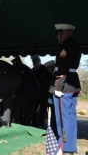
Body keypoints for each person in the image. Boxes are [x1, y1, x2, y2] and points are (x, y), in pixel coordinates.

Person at [53, 24, 81, 155]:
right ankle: (69, 146)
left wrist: (58, 87)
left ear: (63, 33)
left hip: (64, 85)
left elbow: (62, 68)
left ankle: (65, 147)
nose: (57, 37)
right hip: (72, 84)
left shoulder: (66, 45)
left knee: (63, 118)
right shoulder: (74, 44)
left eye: (58, 34)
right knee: (70, 117)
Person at [11, 56, 41, 126]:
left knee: (29, 107)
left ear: (19, 63)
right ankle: (22, 121)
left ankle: (26, 123)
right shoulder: (20, 68)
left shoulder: (23, 69)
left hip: (33, 90)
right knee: (22, 105)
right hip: (28, 90)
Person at [31, 55, 48, 128]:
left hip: (43, 92)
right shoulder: (32, 70)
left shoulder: (44, 68)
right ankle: (34, 122)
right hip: (35, 93)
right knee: (33, 107)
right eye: (33, 61)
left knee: (43, 109)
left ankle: (42, 123)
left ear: (39, 61)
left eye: (35, 61)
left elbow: (46, 80)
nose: (34, 62)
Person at [44, 60, 57, 135]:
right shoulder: (47, 74)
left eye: (48, 67)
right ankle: (47, 126)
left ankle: (53, 127)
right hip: (47, 96)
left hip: (53, 96)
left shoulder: (54, 75)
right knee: (45, 112)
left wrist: (50, 96)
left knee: (54, 114)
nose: (47, 69)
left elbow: (51, 86)